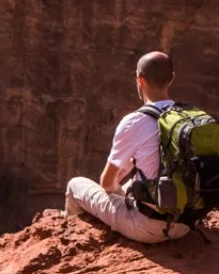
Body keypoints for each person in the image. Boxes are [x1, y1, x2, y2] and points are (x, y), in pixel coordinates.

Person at [65, 51, 192, 243]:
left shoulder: (135, 121)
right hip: (187, 223)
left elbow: (107, 183)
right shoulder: (189, 116)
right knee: (135, 180)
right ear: (171, 79)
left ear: (140, 79)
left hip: (148, 228)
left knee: (75, 185)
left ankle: (70, 239)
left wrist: (118, 192)